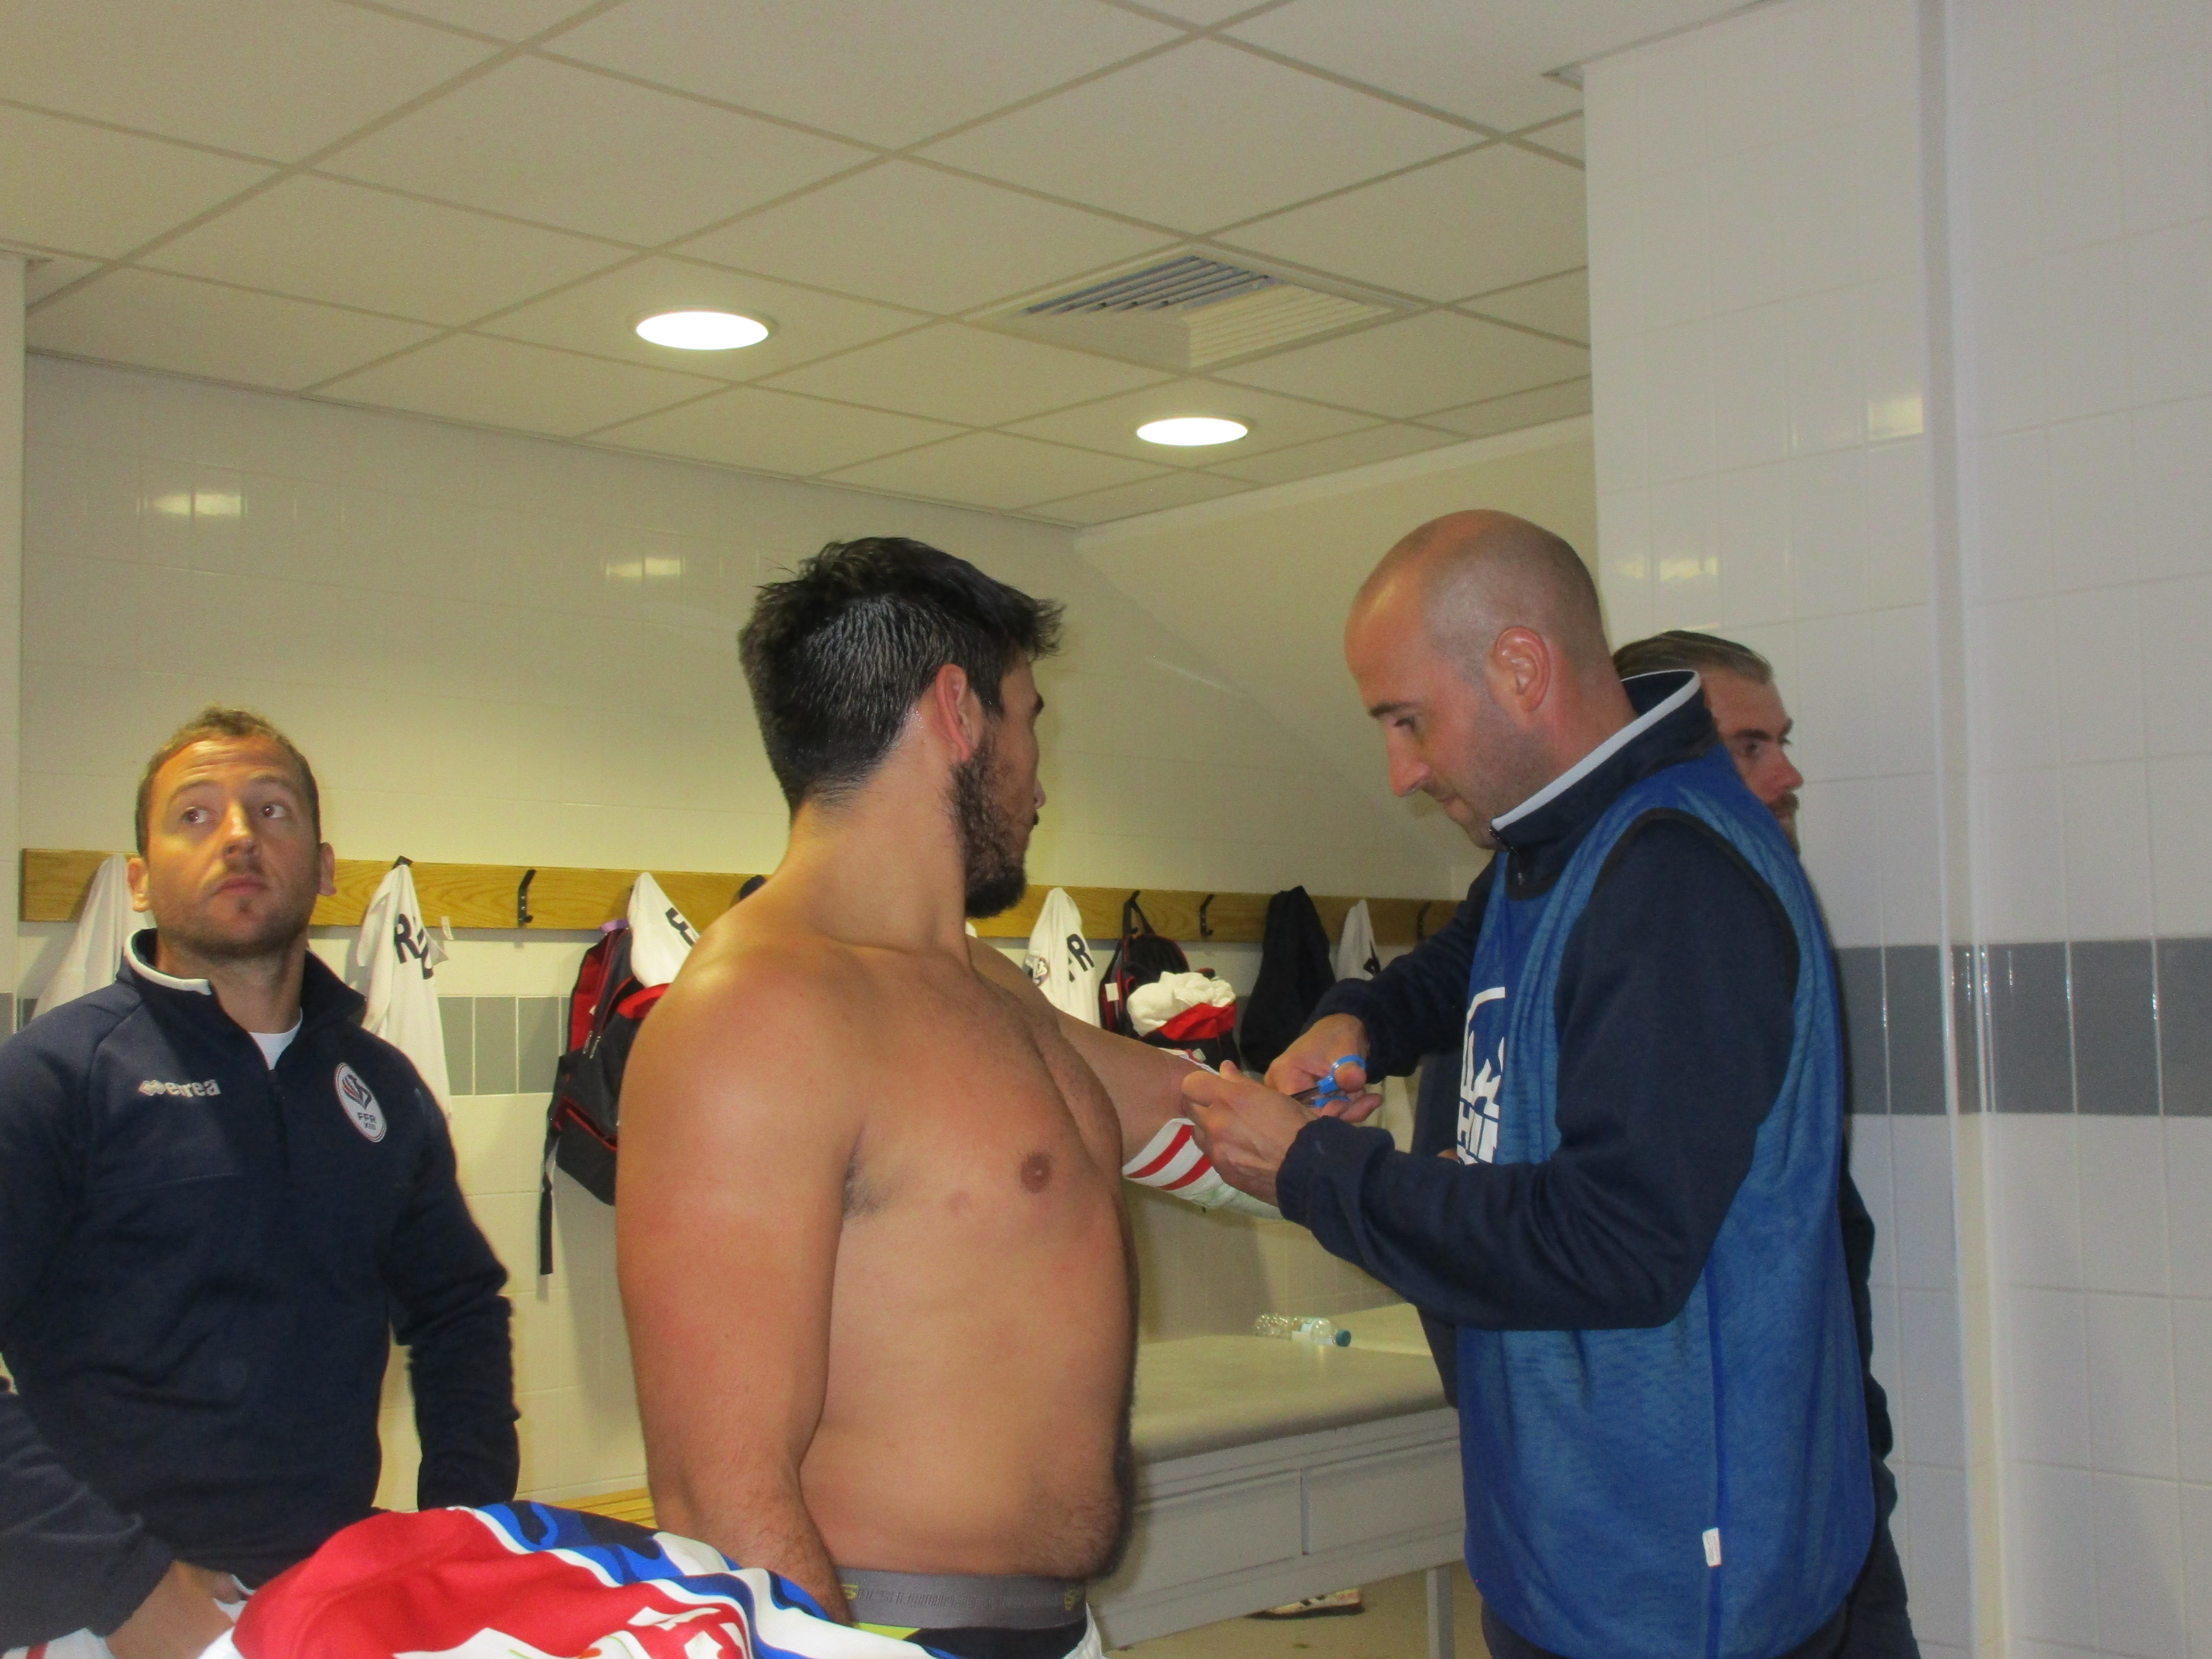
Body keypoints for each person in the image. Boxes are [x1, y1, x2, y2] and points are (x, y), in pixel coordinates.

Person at [1182, 513, 1873, 1659]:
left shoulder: (1673, 878)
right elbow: (1467, 957)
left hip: (1676, 1593)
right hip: (1559, 1549)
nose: (1401, 773)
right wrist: (1361, 1020)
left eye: (1408, 721)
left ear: (1520, 668)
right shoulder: (1556, 838)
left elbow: (1614, 1244)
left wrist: (1315, 1170)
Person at [616, 538, 1258, 1659]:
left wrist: (1356, 1107)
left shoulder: (982, 985)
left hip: (1051, 1628)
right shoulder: (754, 1016)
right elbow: (720, 1494)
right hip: (887, 1631)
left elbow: (1186, 1111)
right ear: (959, 712)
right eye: (1030, 718)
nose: (1040, 778)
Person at [0, 708, 518, 1659]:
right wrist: (130, 1592)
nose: (238, 835)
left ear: (323, 868)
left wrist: (460, 1535)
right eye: (195, 815)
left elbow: (459, 1312)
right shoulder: (51, 1078)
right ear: (141, 878)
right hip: (98, 1616)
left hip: (326, 1593)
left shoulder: (381, 1086)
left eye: (271, 810)